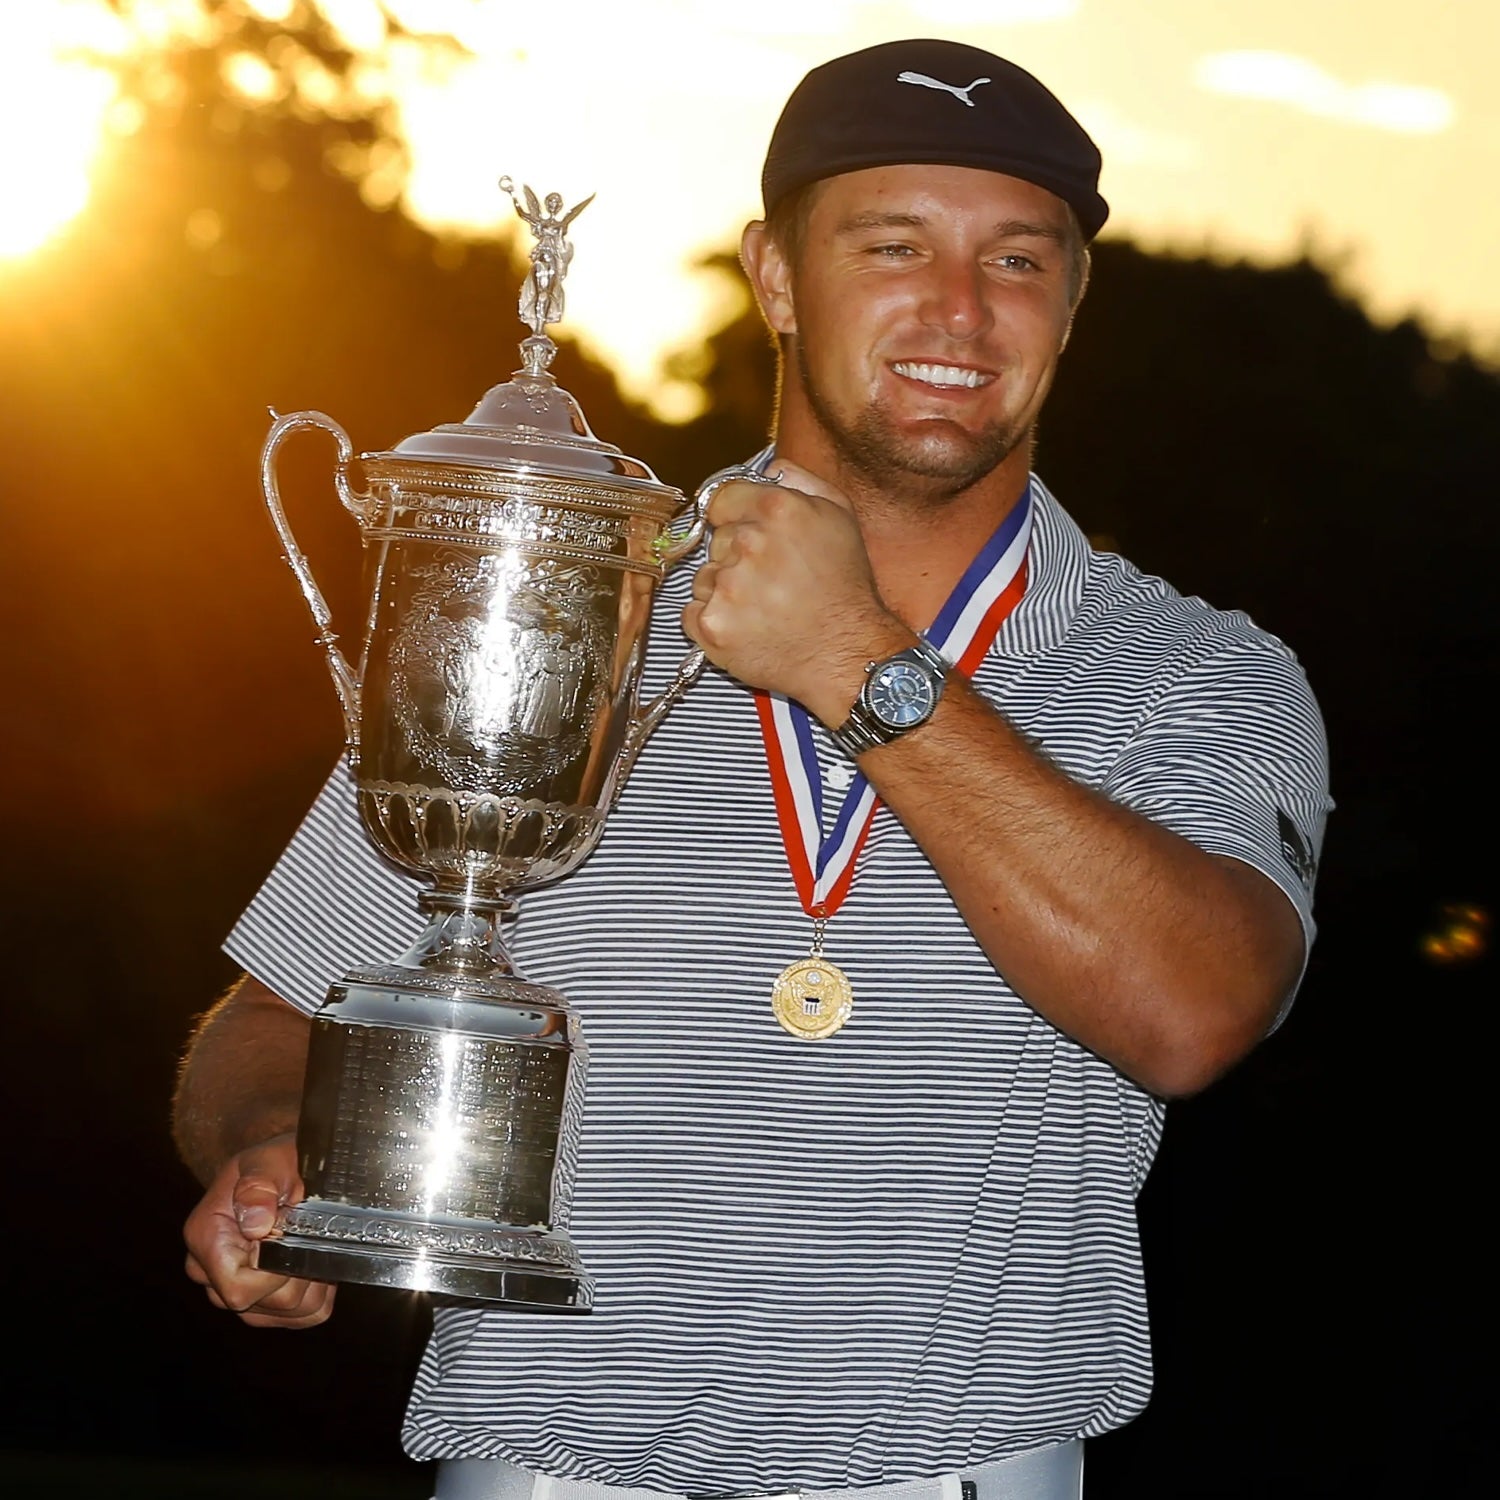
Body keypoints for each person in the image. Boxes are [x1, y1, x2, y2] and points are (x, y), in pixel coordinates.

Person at [175, 37, 1330, 1500]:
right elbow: (277, 1011)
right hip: (542, 1473)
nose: (960, 310)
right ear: (775, 274)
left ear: (1074, 303)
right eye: (893, 245)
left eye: (1019, 261)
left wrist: (857, 661)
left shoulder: (1197, 670)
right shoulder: (563, 605)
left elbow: (1196, 1012)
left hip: (960, 1477)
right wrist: (273, 1144)